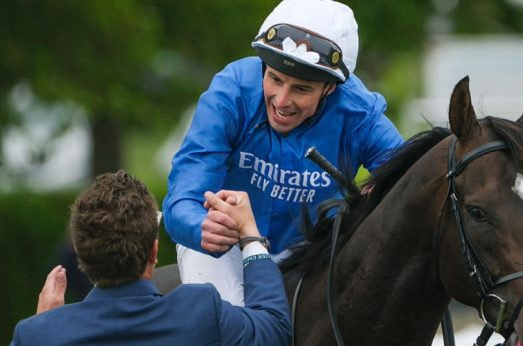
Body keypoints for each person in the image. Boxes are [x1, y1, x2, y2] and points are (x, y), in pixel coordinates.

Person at [162, 0, 405, 306]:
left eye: (302, 89)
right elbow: (181, 199)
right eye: (274, 79)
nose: (281, 100)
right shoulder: (230, 91)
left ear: (330, 89)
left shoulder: (360, 114)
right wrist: (201, 226)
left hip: (311, 254)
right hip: (227, 248)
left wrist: (381, 193)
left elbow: (413, 179)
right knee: (228, 322)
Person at [0, 170, 291, 346]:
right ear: (153, 252)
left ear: (80, 253)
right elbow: (275, 325)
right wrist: (250, 235)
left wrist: (44, 325)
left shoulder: (36, 338)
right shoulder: (201, 314)